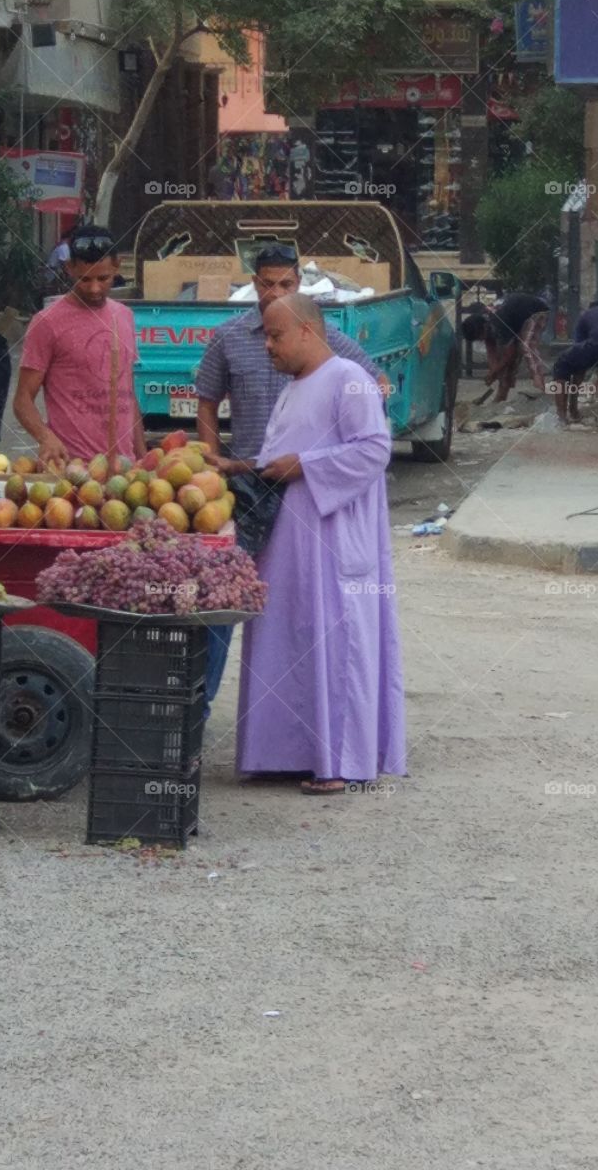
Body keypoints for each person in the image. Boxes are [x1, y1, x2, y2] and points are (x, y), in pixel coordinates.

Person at [194, 243, 389, 708]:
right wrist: (212, 461)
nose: (274, 291)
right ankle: (198, 711)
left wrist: (341, 426)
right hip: (246, 491)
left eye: (285, 283)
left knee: (297, 609)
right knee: (225, 602)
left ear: (299, 286)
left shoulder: (329, 345)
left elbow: (375, 389)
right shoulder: (230, 337)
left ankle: (310, 722)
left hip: (304, 498)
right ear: (252, 283)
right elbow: (206, 398)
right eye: (266, 283)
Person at [232, 293, 406, 793]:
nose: (268, 345)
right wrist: (240, 468)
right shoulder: (293, 388)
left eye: (275, 335)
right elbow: (280, 459)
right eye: (265, 335)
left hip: (332, 541)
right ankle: (286, 755)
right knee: (288, 640)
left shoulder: (348, 378)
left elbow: (374, 450)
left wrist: (306, 467)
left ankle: (339, 765)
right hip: (288, 543)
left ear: (307, 331)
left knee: (334, 644)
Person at [15, 226, 147, 467]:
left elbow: (128, 395)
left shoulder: (125, 316)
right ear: (69, 268)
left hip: (125, 471)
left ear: (117, 266)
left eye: (103, 278)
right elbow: (22, 400)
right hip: (74, 470)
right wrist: (46, 437)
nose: (94, 288)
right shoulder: (47, 322)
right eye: (84, 279)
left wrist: (143, 458)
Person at [484, 291, 550, 400]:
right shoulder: (487, 324)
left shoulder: (497, 321)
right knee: (507, 358)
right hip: (516, 319)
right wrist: (493, 371)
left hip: (536, 311)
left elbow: (510, 352)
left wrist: (495, 371)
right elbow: (491, 350)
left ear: (484, 327)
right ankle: (501, 396)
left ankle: (539, 384)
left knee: (526, 346)